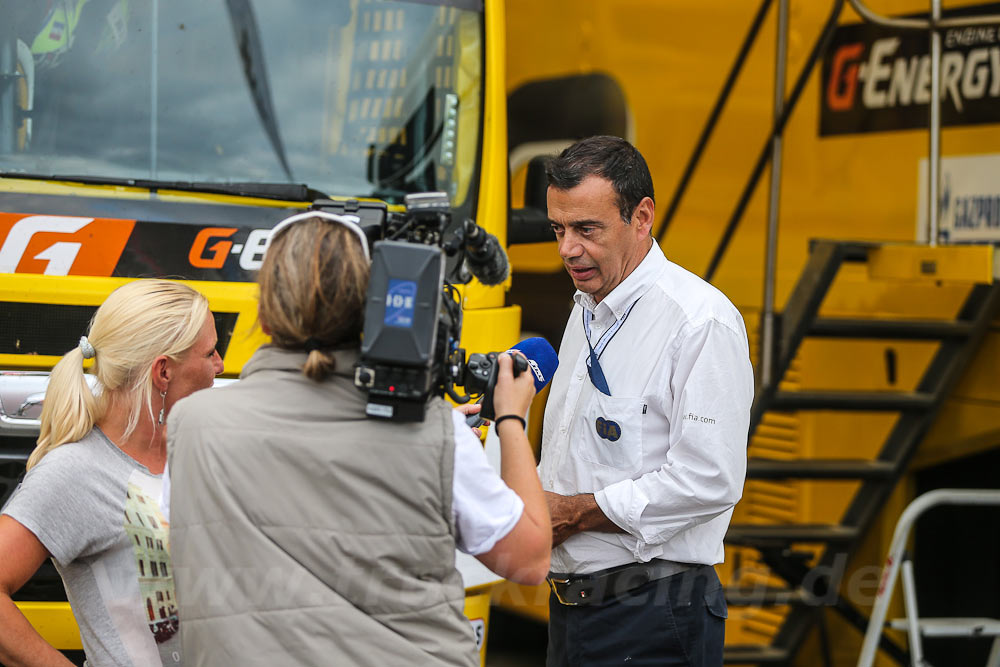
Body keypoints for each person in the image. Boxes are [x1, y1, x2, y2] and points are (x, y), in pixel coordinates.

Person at [166, 213, 551, 667]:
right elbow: (529, 562)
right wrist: (509, 418)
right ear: (370, 310)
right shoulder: (436, 433)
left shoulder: (192, 424)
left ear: (266, 316)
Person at [539, 136, 753, 666]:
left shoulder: (700, 321)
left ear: (642, 217)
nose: (568, 249)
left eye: (587, 230)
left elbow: (710, 478)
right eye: (558, 229)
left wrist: (576, 514)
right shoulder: (585, 308)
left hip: (654, 618)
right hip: (573, 613)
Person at [0, 280, 224, 666]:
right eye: (210, 352)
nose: (220, 365)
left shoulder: (199, 448)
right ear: (164, 373)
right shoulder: (75, 471)